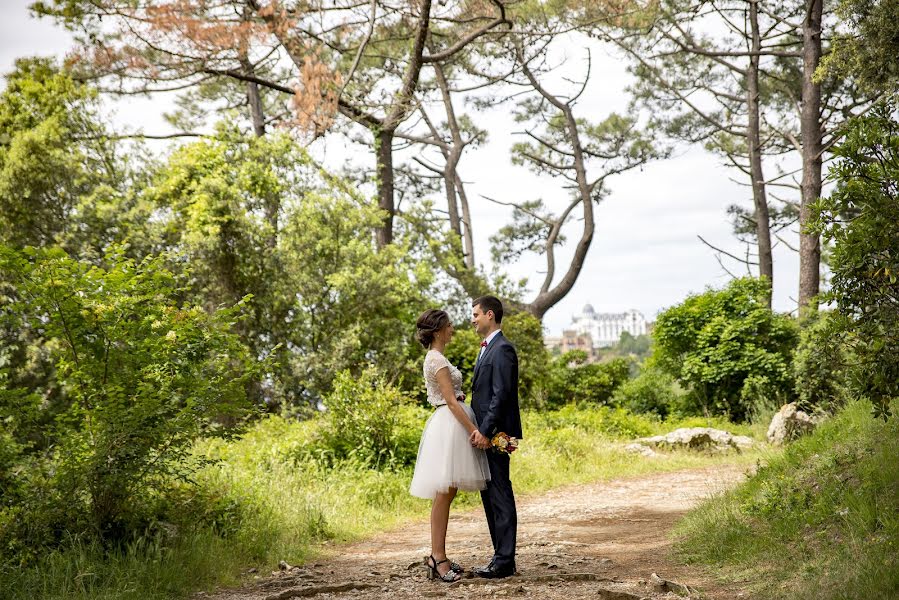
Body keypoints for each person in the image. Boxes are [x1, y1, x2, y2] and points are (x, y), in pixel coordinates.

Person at [409, 309, 491, 583]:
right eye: (449, 325)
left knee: (447, 492)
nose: (453, 328)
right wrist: (474, 431)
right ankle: (437, 558)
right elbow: (451, 403)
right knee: (444, 493)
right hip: (449, 426)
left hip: (447, 423)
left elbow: (449, 396)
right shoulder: (436, 359)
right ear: (437, 331)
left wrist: (456, 395)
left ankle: (438, 555)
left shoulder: (436, 358)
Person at [469, 295, 522, 579]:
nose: (472, 318)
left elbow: (501, 395)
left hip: (496, 434)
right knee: (490, 495)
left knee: (500, 494)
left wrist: (486, 431)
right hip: (485, 433)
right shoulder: (487, 348)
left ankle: (504, 561)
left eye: (475, 314)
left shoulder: (503, 349)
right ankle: (501, 558)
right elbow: (486, 392)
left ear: (490, 315)